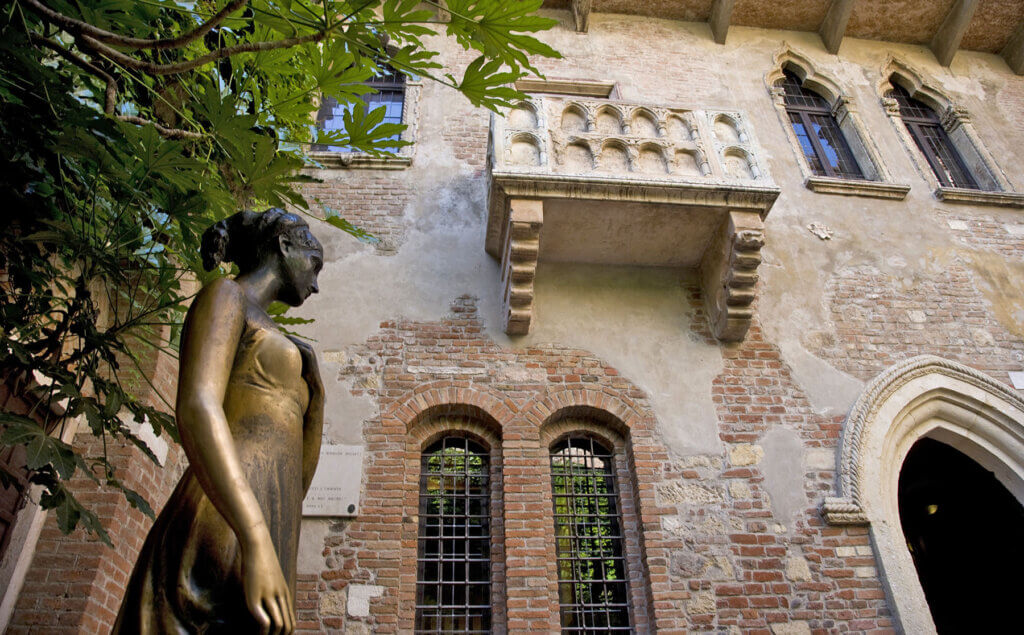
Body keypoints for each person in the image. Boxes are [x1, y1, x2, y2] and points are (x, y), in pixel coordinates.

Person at [114, 209, 325, 634]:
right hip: (228, 517)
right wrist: (253, 534)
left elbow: (298, 479)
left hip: (272, 517)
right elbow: (197, 406)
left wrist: (315, 396)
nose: (316, 284)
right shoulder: (227, 297)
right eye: (314, 263)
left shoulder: (284, 340)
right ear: (284, 246)